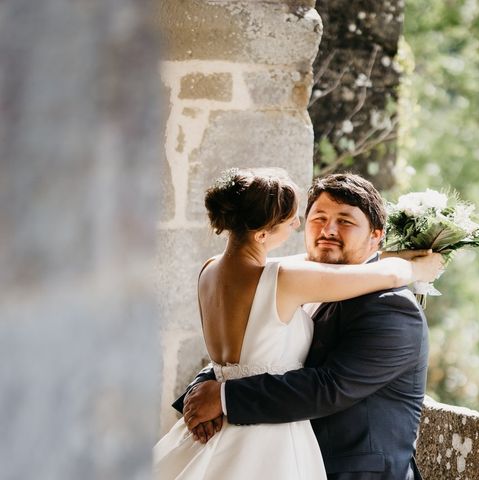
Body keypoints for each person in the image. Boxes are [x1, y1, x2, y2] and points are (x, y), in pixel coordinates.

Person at [154, 169, 443, 480]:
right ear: (264, 231)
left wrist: (223, 397)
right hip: (270, 451)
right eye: (317, 218)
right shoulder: (291, 280)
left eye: (344, 221)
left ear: (376, 235)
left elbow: (330, 387)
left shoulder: (391, 306)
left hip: (346, 470)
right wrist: (204, 390)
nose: (327, 230)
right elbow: (247, 355)